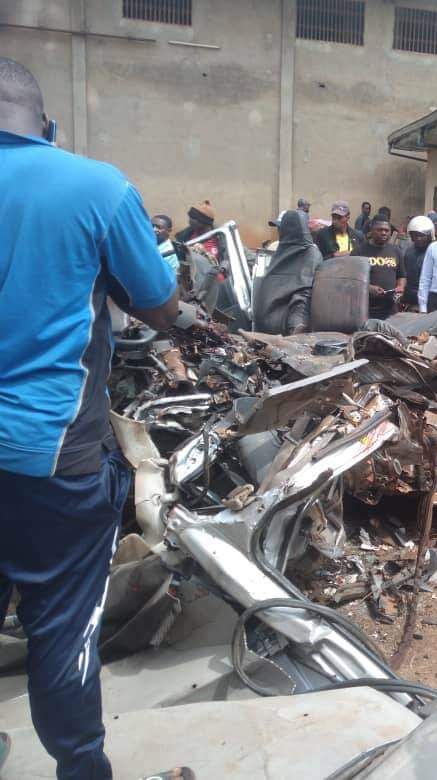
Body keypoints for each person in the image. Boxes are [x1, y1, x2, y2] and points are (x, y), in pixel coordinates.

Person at [0, 57, 182, 779]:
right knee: (62, 627)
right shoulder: (94, 185)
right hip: (49, 455)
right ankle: (81, 769)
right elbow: (159, 304)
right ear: (45, 125)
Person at [253, 210, 322, 335]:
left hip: (289, 325)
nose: (279, 232)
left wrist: (296, 325)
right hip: (269, 324)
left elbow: (303, 291)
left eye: (281, 228)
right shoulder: (280, 250)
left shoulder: (310, 254)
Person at [356, 216, 405, 319]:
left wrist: (400, 287)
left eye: (386, 230)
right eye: (380, 230)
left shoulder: (396, 251)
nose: (383, 233)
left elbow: (402, 275)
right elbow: (352, 281)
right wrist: (369, 288)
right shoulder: (359, 252)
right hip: (366, 309)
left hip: (390, 309)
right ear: (372, 230)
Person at [401, 215, 434, 309]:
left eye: (421, 235)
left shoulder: (435, 252)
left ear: (429, 236)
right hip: (410, 298)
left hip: (429, 299)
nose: (418, 238)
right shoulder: (408, 251)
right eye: (415, 235)